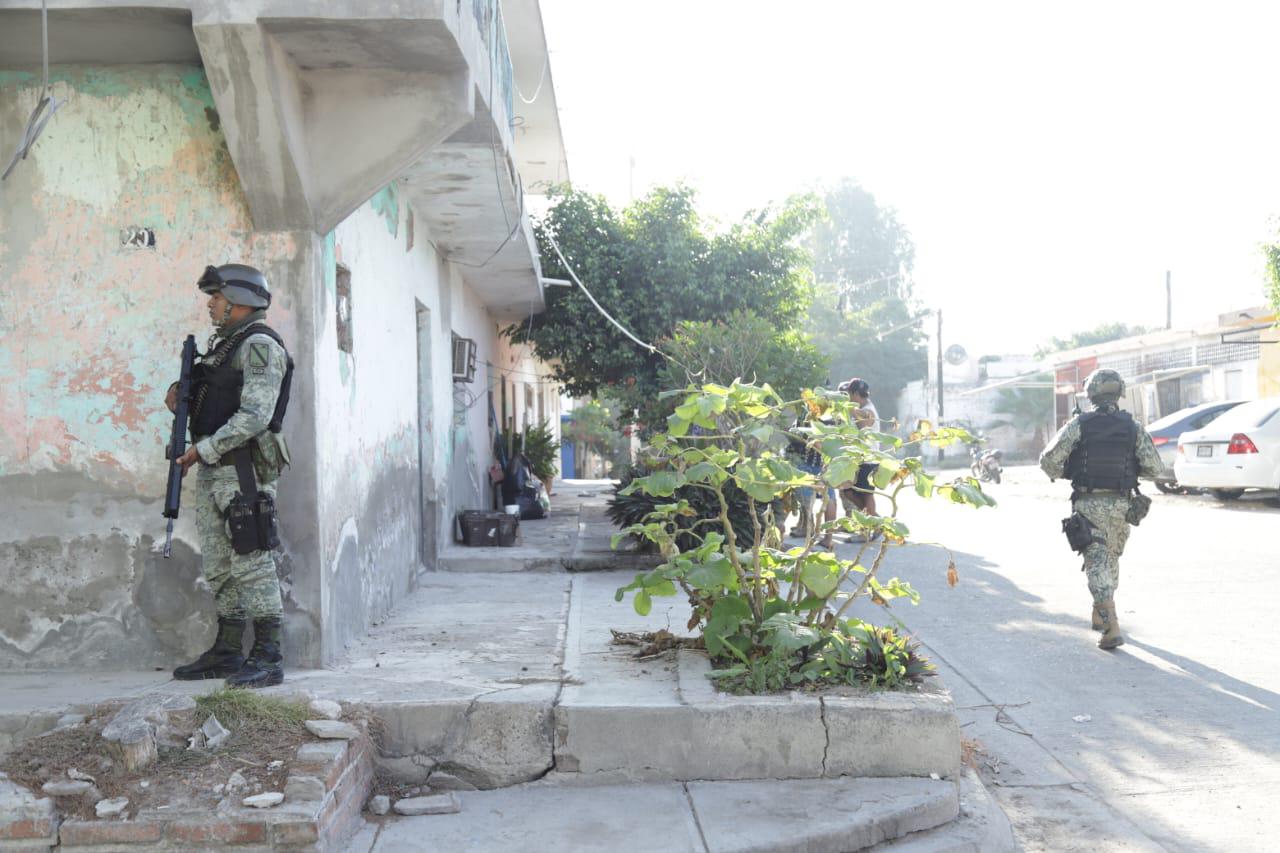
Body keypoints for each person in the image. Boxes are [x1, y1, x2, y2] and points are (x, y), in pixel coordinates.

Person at [166, 264, 294, 687]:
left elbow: (256, 415)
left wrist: (202, 449)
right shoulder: (225, 346)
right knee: (221, 566)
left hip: (242, 471)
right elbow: (218, 400)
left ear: (240, 301)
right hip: (215, 469)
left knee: (252, 563)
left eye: (217, 296)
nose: (210, 303)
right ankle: (228, 651)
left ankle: (268, 655)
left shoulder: (258, 346)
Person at [1039, 369, 1161, 650]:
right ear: (1119, 394)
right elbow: (1155, 468)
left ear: (1091, 394)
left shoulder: (1079, 425)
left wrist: (1069, 471)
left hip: (1089, 503)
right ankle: (1100, 612)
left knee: (1096, 563)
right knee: (1110, 559)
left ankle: (1110, 626)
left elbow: (1048, 461)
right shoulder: (1134, 428)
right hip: (1121, 504)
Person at [840, 377, 882, 537]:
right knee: (848, 492)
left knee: (867, 494)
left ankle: (869, 529)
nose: (849, 398)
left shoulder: (868, 410)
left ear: (856, 394)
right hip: (858, 459)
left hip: (869, 459)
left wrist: (852, 411)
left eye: (850, 394)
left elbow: (864, 425)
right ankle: (875, 521)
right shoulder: (860, 408)